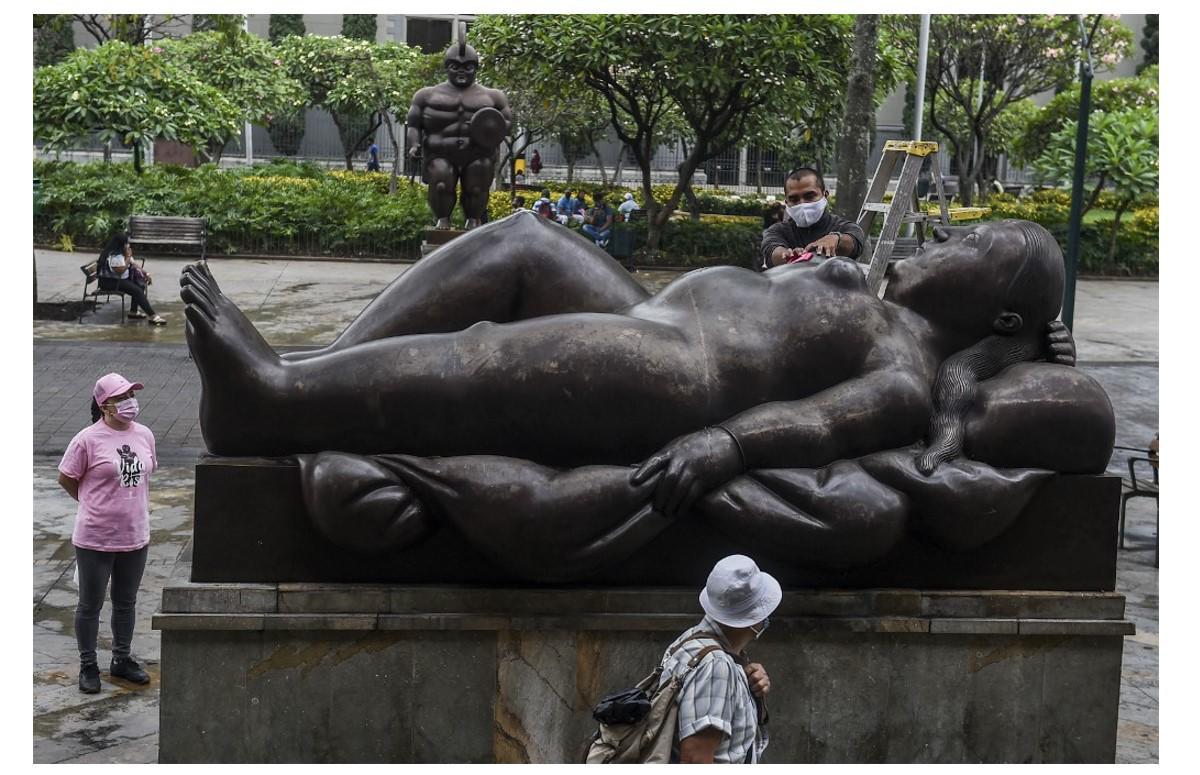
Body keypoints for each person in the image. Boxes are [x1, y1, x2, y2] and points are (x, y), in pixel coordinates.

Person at [180, 212, 1077, 521]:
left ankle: (272, 400)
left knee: (487, 357)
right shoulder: (888, 310)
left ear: (998, 313)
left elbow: (826, 424)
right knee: (521, 242)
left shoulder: (907, 366)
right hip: (650, 309)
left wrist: (724, 445)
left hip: (673, 369)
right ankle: (310, 373)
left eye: (970, 245)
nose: (943, 239)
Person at [57, 373, 159, 693]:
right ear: (104, 406)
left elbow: (146, 475)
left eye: (130, 394)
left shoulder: (144, 435)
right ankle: (89, 665)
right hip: (95, 537)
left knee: (125, 602)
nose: (129, 402)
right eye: (120, 397)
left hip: (135, 534)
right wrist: (90, 502)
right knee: (90, 604)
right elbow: (66, 477)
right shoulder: (87, 439)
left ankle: (121, 659)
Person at [662, 554, 778, 763]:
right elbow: (695, 759)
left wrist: (743, 678)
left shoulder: (688, 642)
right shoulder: (716, 666)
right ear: (752, 620)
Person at [406, 38, 513, 229]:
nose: (462, 71)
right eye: (455, 66)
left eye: (468, 67)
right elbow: (413, 124)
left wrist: (485, 127)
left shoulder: (493, 96)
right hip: (440, 153)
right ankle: (442, 220)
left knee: (477, 187)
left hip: (477, 154)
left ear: (476, 68)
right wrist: (414, 145)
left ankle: (473, 220)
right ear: (446, 67)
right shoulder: (426, 95)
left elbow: (506, 123)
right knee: (441, 183)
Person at [759, 167, 867, 271]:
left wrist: (836, 238)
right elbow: (772, 250)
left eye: (809, 196)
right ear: (786, 203)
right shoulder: (777, 231)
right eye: (794, 199)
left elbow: (855, 240)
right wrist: (788, 256)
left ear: (825, 195)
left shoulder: (844, 227)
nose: (802, 203)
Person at [97, 233, 166, 326]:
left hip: (119, 280)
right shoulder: (114, 256)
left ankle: (133, 312)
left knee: (140, 285)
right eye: (126, 243)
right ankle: (153, 316)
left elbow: (133, 264)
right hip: (109, 282)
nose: (128, 245)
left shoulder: (122, 252)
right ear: (121, 244)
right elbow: (120, 271)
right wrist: (128, 257)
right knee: (137, 291)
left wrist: (145, 273)